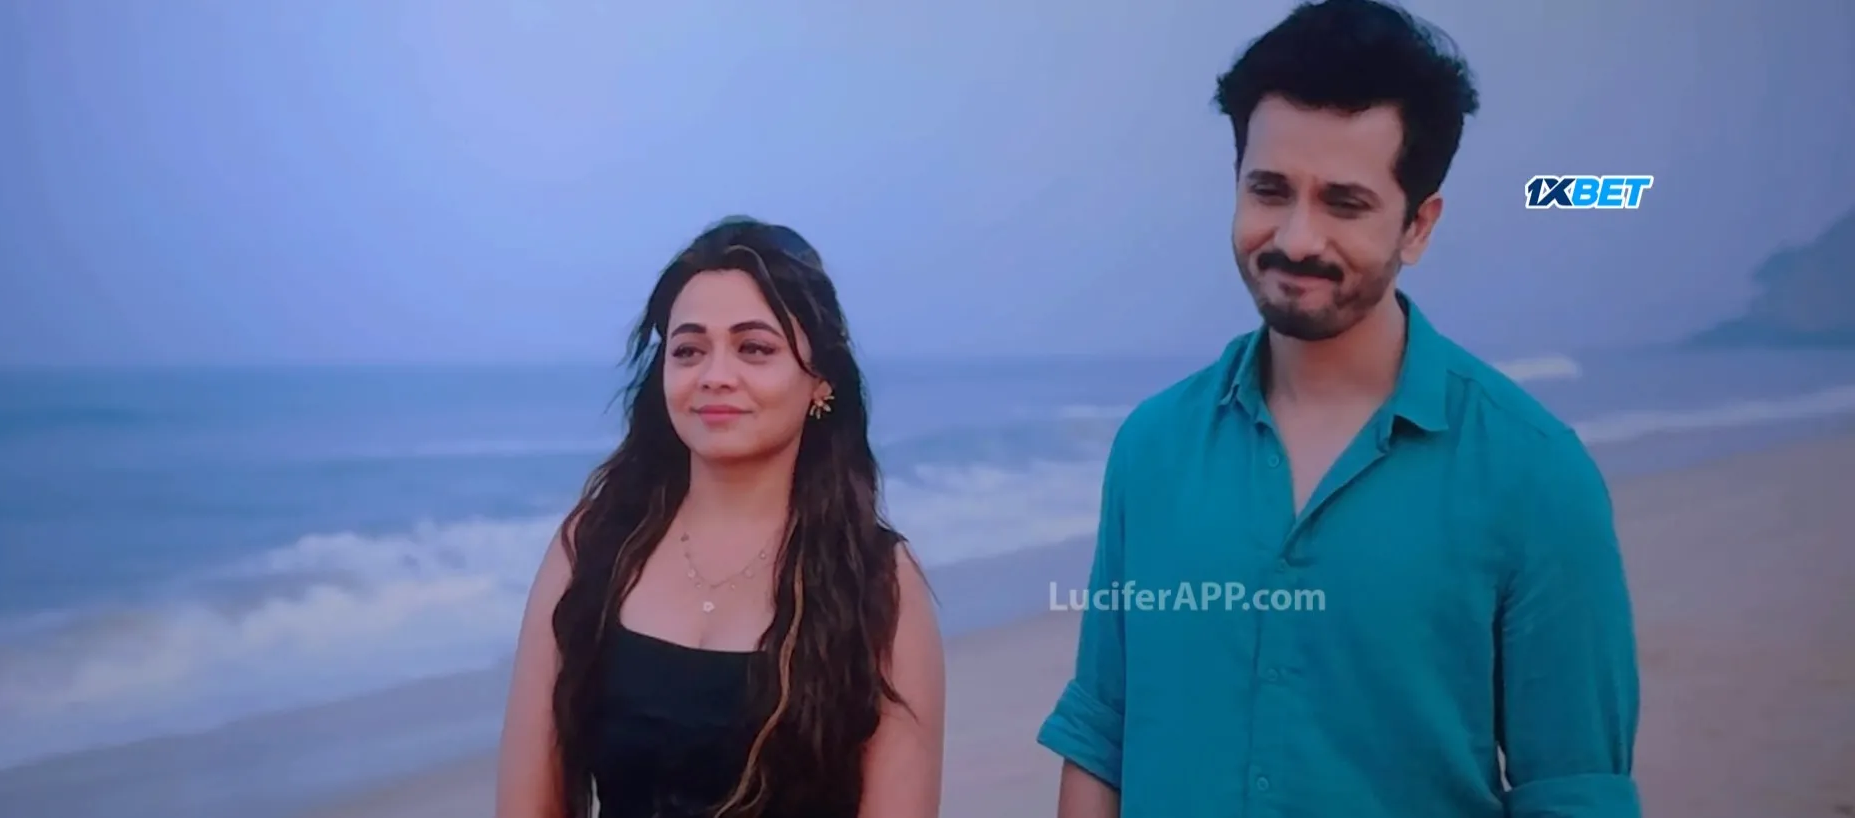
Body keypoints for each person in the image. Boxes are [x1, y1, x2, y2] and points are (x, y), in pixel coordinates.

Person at [1036, 2, 1641, 817]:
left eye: (1345, 203)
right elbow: (1102, 734)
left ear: (1418, 226)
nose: (1296, 238)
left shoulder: (1535, 475)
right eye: (1270, 191)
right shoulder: (1154, 446)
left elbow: (1573, 789)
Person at [495, 216, 946, 818]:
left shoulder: (876, 580)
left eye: (754, 348)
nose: (715, 377)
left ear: (821, 380)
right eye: (689, 351)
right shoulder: (593, 546)